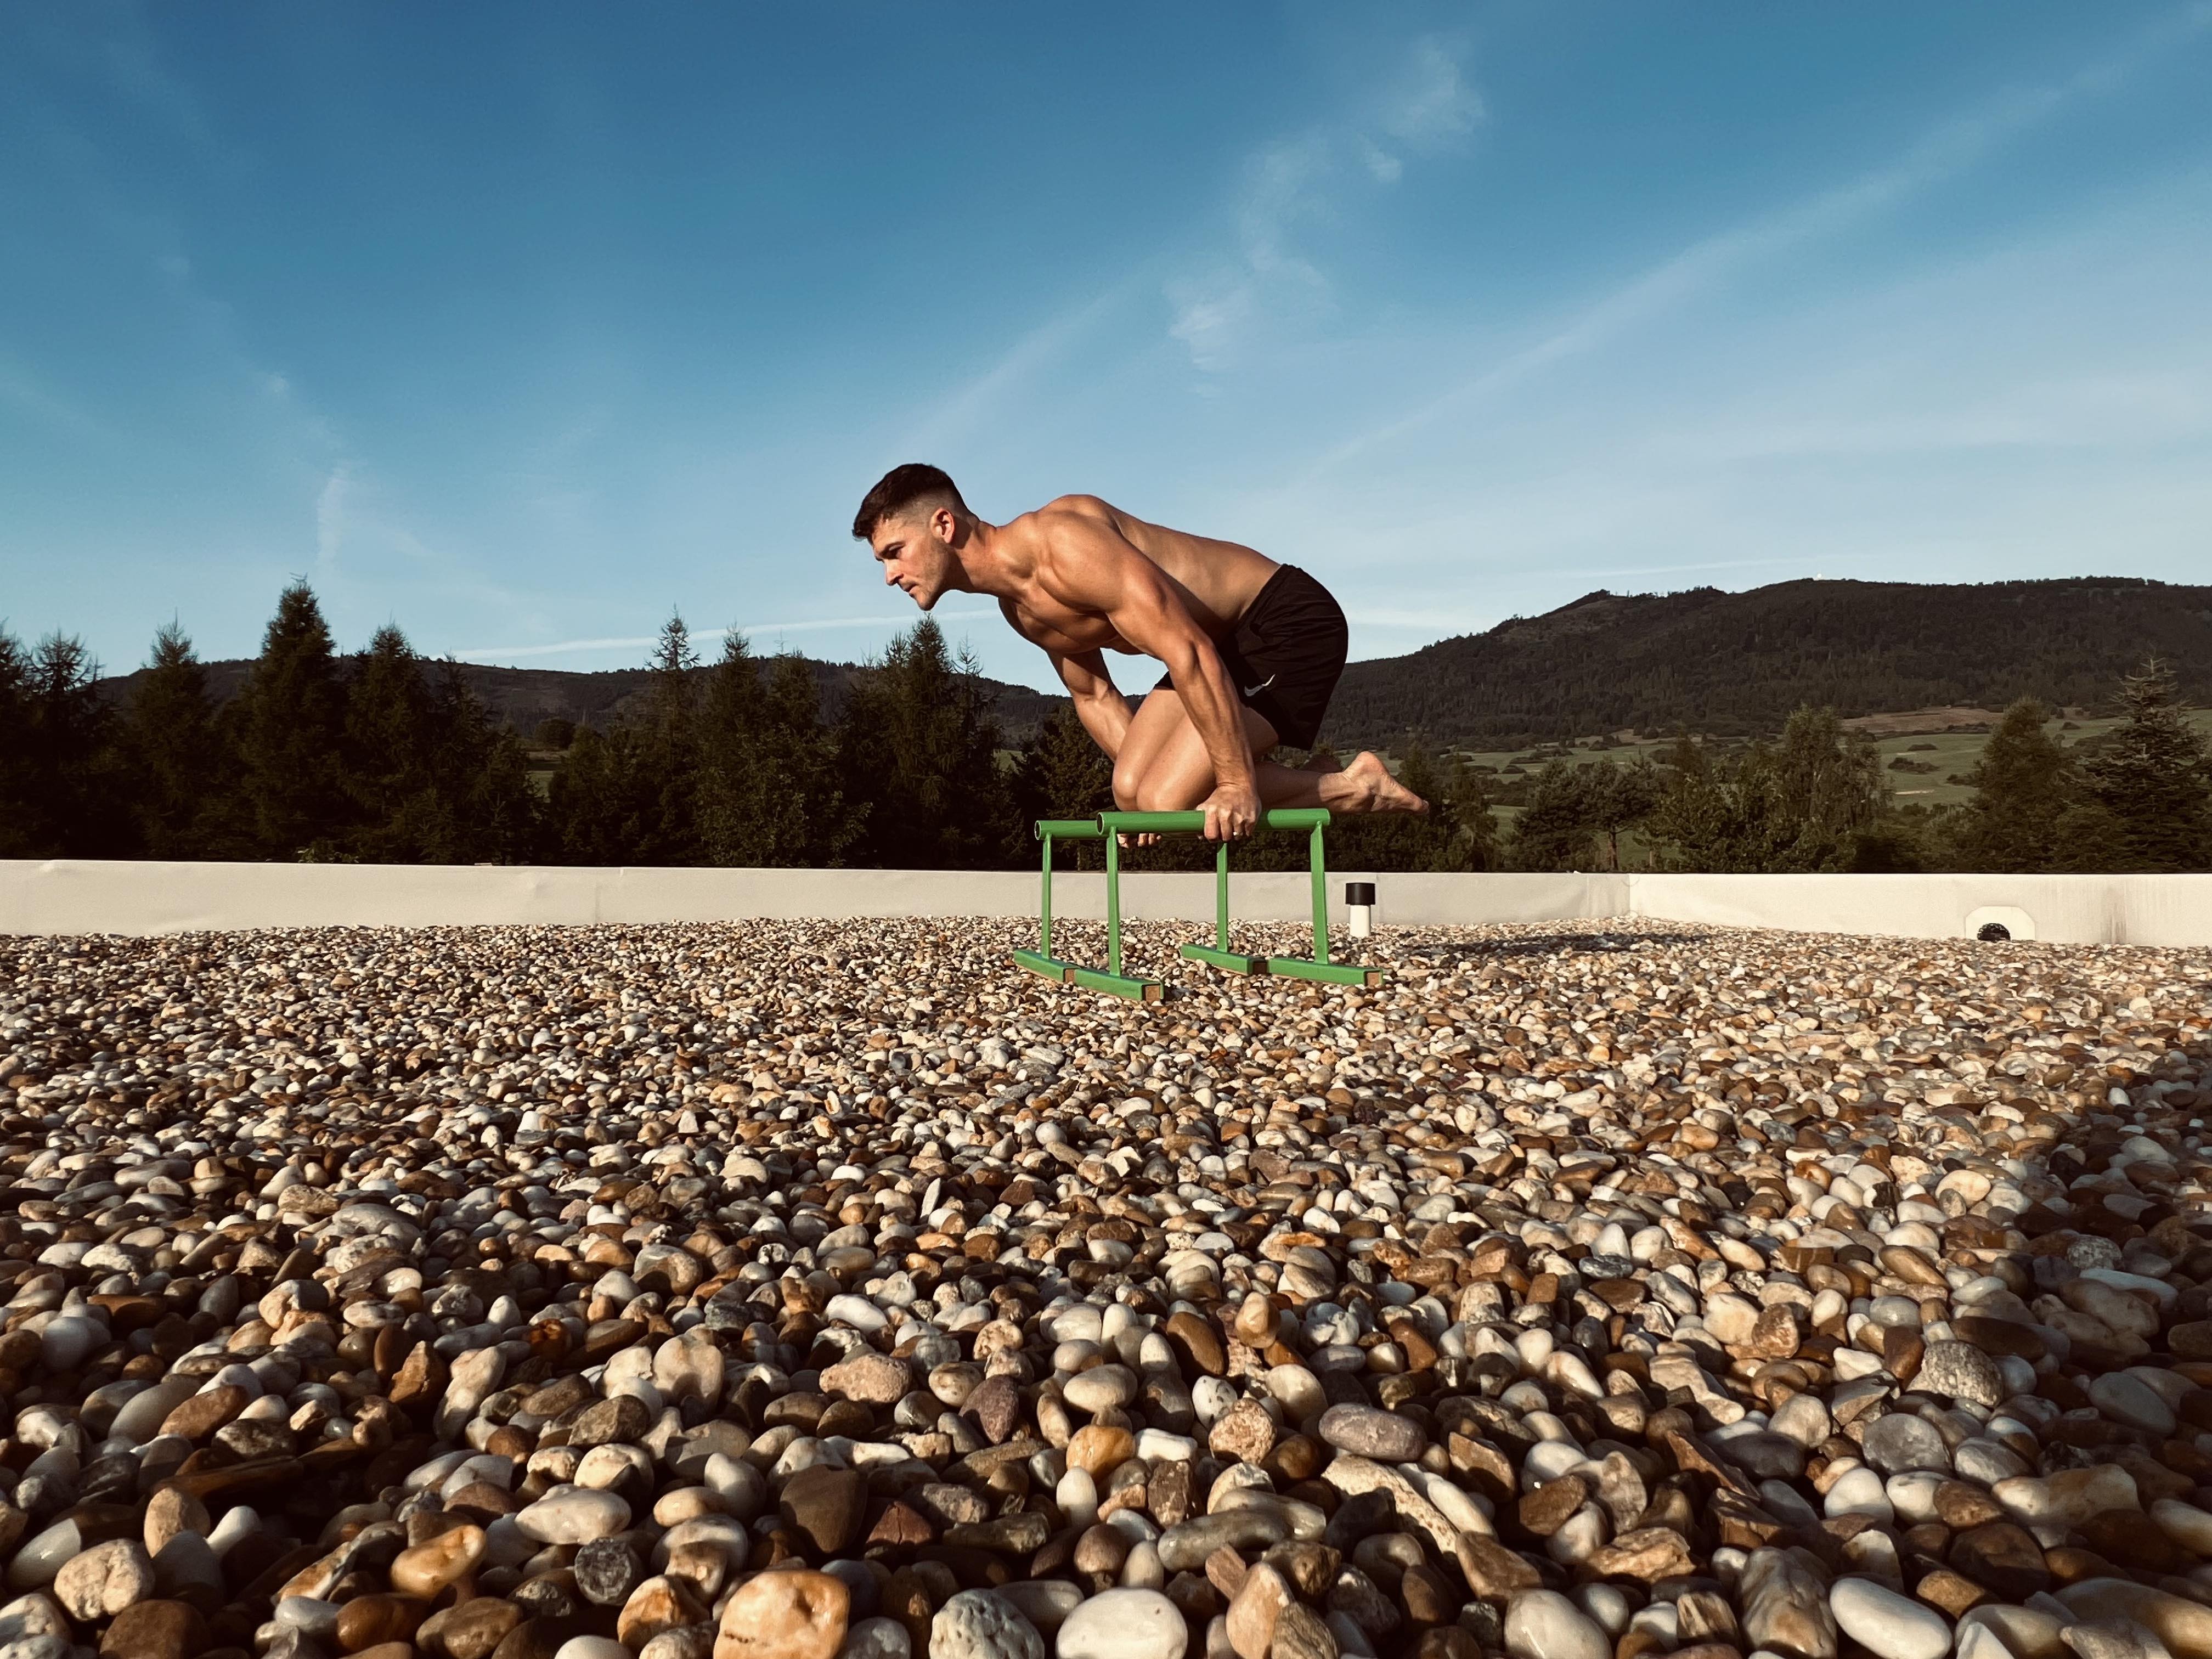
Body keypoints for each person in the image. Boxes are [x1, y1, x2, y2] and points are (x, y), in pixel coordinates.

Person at [853, 462, 1425, 841]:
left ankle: (1349, 789)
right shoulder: (1021, 609)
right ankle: (1344, 782)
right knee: (1135, 791)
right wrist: (1152, 805)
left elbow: (1188, 651)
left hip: (1284, 622)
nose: (889, 575)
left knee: (1167, 792)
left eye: (895, 552)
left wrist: (1232, 784)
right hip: (1219, 647)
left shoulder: (1062, 545)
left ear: (944, 524)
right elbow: (1094, 695)